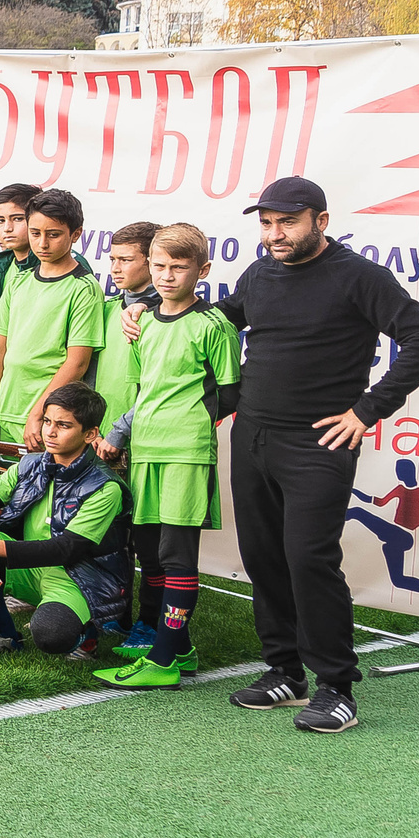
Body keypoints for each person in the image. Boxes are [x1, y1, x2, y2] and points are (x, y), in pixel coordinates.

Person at [212, 176, 419, 733]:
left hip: (318, 442)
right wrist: (155, 310)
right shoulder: (261, 272)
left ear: (320, 221)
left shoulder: (358, 276)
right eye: (266, 223)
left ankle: (336, 686)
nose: (275, 234)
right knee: (263, 555)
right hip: (254, 435)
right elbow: (223, 319)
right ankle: (284, 671)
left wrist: (369, 409)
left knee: (309, 559)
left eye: (287, 222)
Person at [96, 223, 239, 690]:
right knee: (152, 554)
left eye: (179, 267)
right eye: (159, 266)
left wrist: (189, 422)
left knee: (178, 557)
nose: (167, 275)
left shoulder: (213, 325)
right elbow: (146, 389)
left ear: (203, 270)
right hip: (146, 450)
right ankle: (178, 646)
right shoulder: (142, 321)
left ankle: (162, 661)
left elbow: (231, 392)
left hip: (185, 452)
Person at [0, 382, 128, 658]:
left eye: (63, 425)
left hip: (77, 578)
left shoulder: (106, 487)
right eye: (47, 421)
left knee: (50, 634)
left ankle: (87, 635)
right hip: (29, 569)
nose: (50, 431)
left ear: (90, 434)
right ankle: (3, 635)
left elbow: (67, 549)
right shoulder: (30, 464)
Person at [0, 187, 101, 453]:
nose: (42, 244)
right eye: (35, 233)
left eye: (53, 235)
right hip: (3, 412)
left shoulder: (83, 288)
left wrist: (40, 415)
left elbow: (77, 362)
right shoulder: (18, 281)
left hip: (47, 420)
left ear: (75, 234)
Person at [89, 219, 161, 431]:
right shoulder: (105, 309)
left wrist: (120, 432)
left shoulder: (166, 317)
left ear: (152, 262)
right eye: (112, 259)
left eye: (125, 260)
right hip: (98, 433)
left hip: (144, 434)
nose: (115, 269)